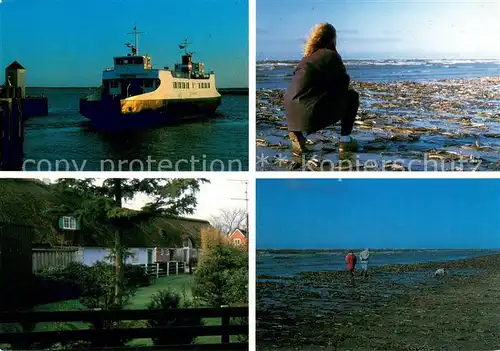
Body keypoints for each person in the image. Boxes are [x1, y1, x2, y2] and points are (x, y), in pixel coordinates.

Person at [284, 22, 360, 160]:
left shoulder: (305, 59)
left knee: (306, 101)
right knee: (352, 96)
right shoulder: (331, 55)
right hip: (310, 113)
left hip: (291, 112)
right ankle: (345, 141)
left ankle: (298, 133)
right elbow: (344, 84)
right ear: (332, 39)